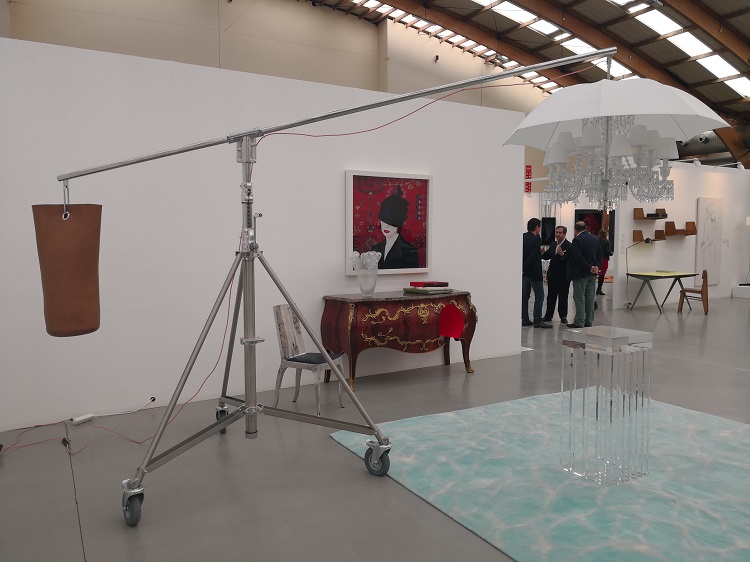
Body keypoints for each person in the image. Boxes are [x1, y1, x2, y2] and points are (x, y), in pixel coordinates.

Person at [370, 186, 419, 270]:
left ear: (401, 222)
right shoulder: (375, 249)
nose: (386, 225)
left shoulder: (409, 251)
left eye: (392, 222)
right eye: (384, 220)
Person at [567, 221, 602, 328]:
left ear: (575, 230)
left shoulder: (577, 240)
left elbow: (577, 257)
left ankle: (579, 321)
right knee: (590, 298)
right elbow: (600, 254)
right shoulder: (595, 238)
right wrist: (596, 267)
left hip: (581, 274)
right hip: (592, 274)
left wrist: (589, 267)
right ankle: (589, 321)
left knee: (579, 298)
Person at [522, 218, 552, 328]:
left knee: (525, 297)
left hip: (525, 273)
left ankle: (525, 319)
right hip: (534, 272)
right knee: (539, 296)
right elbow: (533, 256)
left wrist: (523, 269)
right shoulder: (536, 239)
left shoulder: (523, 237)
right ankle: (537, 320)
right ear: (537, 227)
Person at [542, 225, 572, 323]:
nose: (557, 234)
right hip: (552, 275)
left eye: (560, 233)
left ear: (564, 234)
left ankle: (563, 316)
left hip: (563, 276)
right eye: (556, 232)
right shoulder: (553, 244)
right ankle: (548, 315)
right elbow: (548, 256)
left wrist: (563, 255)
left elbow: (571, 260)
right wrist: (542, 253)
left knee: (563, 297)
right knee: (551, 296)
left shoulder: (569, 245)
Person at [596, 229, 613, 295]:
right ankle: (599, 289)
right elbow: (607, 251)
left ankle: (597, 289)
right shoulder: (607, 242)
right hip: (604, 259)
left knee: (597, 274)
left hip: (597, 259)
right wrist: (611, 254)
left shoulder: (597, 241)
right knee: (602, 275)